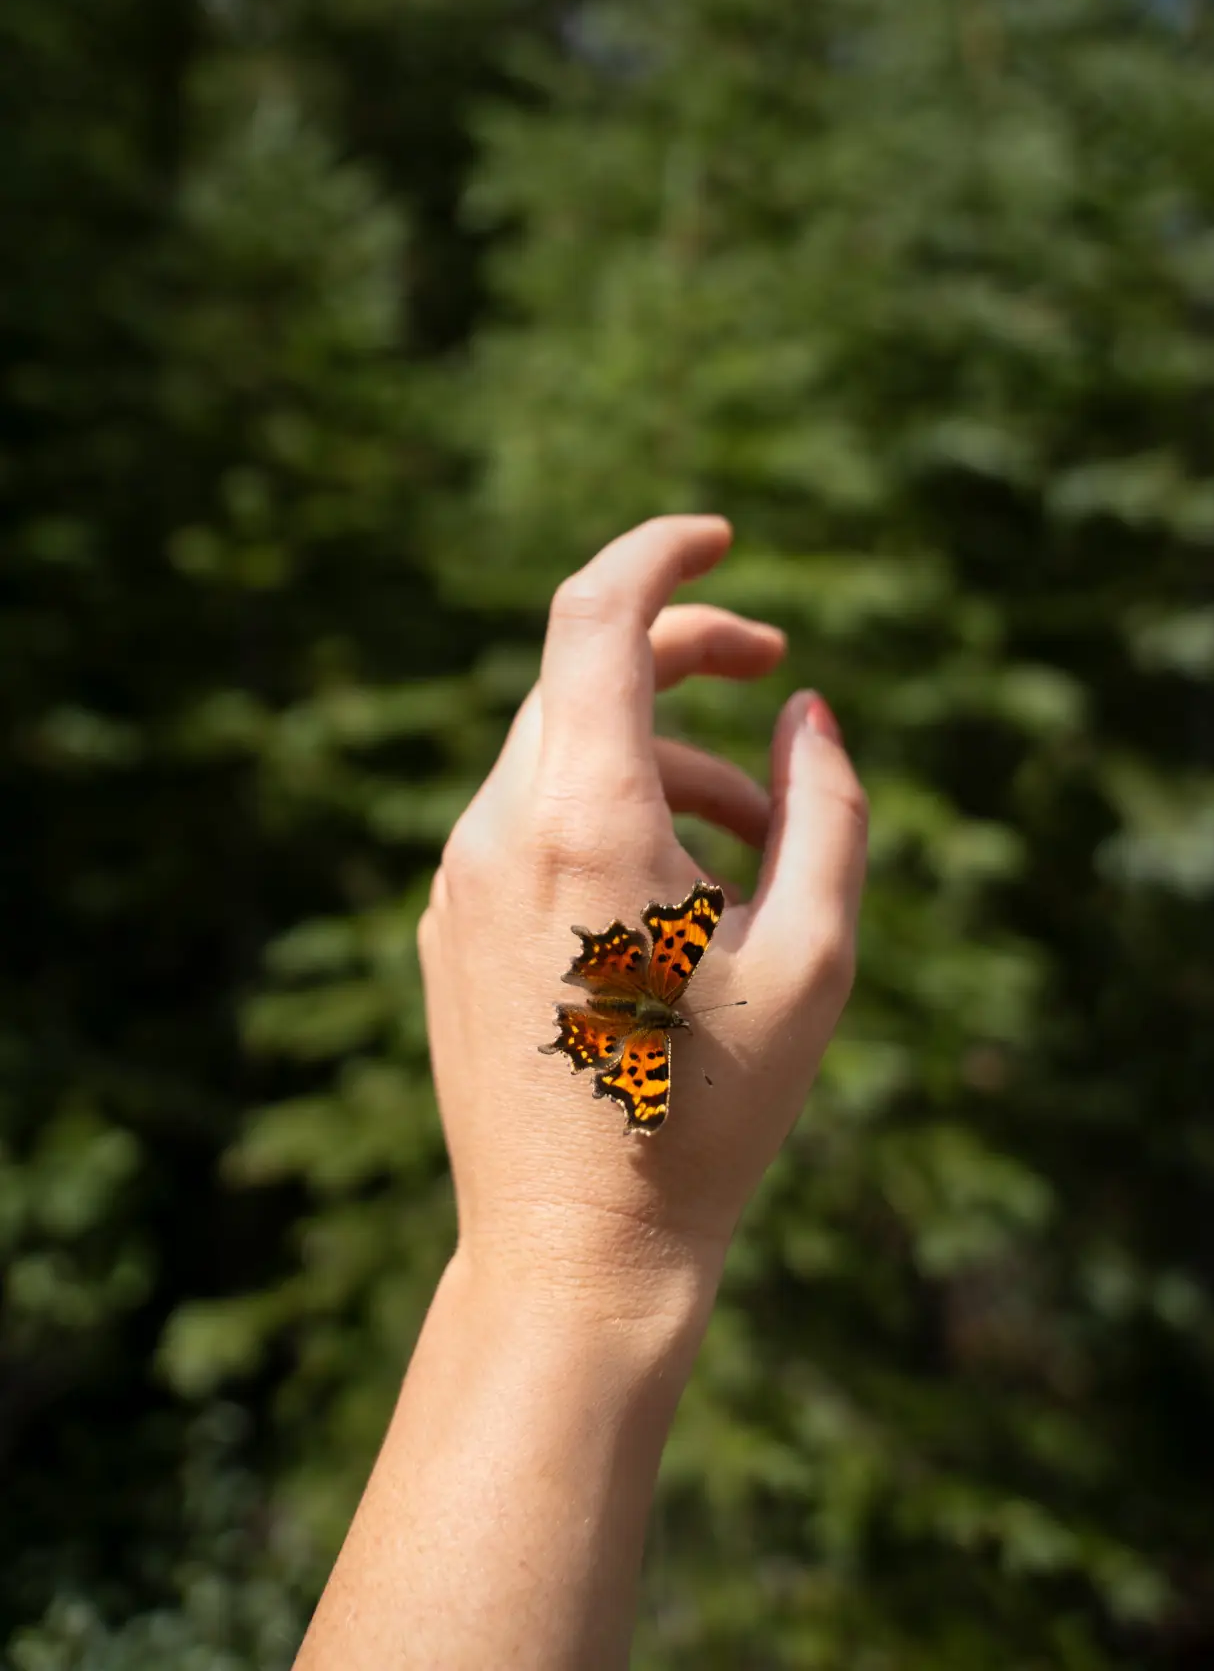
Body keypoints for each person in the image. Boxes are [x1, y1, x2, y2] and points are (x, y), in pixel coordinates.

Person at [294, 514, 868, 1670]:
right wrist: (582, 1255)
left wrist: (545, 1259)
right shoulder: (619, 1016)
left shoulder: (618, 1010)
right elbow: (610, 1037)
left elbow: (610, 1032)